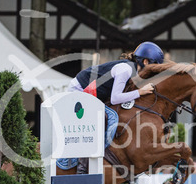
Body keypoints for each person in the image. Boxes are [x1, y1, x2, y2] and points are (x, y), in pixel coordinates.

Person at [64, 42, 164, 174]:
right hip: (79, 90)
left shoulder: (134, 72)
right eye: (154, 67)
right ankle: (82, 168)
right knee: (99, 119)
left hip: (94, 94)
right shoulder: (125, 69)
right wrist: (141, 92)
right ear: (145, 62)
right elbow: (115, 98)